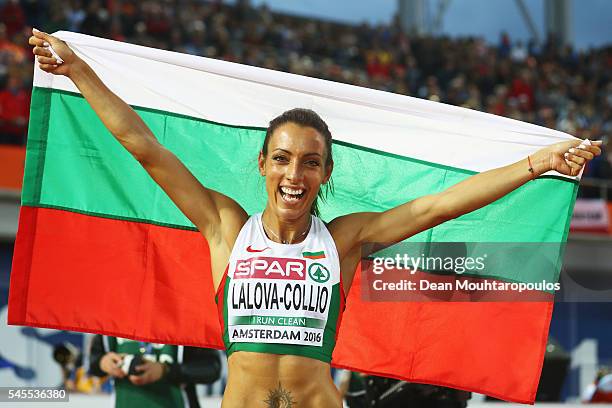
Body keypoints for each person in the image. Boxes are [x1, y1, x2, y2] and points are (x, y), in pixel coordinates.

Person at [28, 29, 601, 408]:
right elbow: (145, 146)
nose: (293, 174)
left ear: (325, 174)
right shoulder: (225, 226)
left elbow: (438, 206)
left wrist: (536, 163)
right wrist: (77, 70)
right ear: (263, 165)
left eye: (309, 162)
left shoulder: (345, 239)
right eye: (281, 159)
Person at [88, 335, 222, 408]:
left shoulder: (186, 316)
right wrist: (103, 362)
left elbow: (212, 368)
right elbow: (94, 362)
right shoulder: (116, 314)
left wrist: (165, 370)